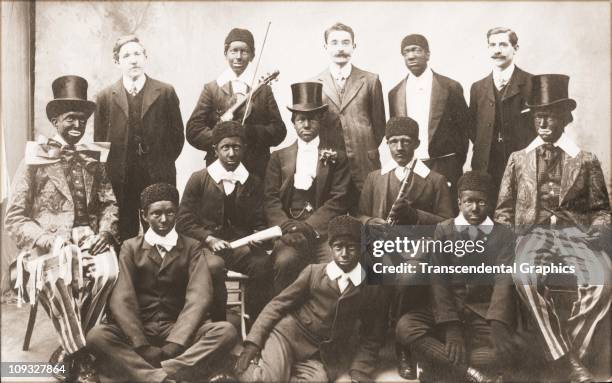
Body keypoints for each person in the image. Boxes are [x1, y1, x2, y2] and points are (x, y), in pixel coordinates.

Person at [495, 74, 612, 383]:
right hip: (532, 233)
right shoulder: (518, 159)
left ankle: (567, 353)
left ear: (564, 117)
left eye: (550, 114)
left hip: (575, 233)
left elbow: (601, 209)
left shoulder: (586, 160)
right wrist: (506, 240)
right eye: (537, 114)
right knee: (524, 277)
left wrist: (600, 229)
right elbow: (504, 210)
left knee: (604, 283)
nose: (543, 121)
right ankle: (569, 362)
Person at [5, 75, 119, 382]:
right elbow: (14, 217)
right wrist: (48, 239)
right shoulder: (35, 160)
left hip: (89, 237)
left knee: (109, 272)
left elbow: (109, 203)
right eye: (70, 119)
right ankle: (80, 355)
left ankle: (67, 350)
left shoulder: (94, 159)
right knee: (58, 277)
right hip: (46, 243)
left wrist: (105, 233)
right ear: (56, 121)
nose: (77, 126)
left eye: (82, 120)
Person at [86, 183, 239, 383]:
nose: (164, 219)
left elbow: (199, 296)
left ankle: (152, 373)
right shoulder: (130, 247)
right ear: (144, 215)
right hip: (141, 328)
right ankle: (167, 377)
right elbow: (123, 298)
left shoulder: (192, 247)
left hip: (177, 328)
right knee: (97, 336)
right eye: (156, 213)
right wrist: (140, 343)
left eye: (170, 213)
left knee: (226, 332)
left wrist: (175, 342)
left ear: (177, 213)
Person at [396, 171, 533, 382]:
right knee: (405, 327)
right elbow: (438, 279)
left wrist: (497, 322)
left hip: (482, 311)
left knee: (515, 348)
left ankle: (438, 366)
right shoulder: (444, 229)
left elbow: (502, 280)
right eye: (469, 201)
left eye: (482, 202)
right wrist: (451, 326)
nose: (475, 208)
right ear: (459, 202)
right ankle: (470, 372)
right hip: (449, 309)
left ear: (491, 204)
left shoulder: (502, 234)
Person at [357, 116, 454, 380]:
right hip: (383, 247)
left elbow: (448, 225)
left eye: (406, 142)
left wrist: (416, 216)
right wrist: (371, 222)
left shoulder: (435, 179)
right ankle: (371, 345)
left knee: (406, 279)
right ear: (387, 145)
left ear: (417, 144)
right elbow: (360, 215)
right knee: (373, 274)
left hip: (419, 250)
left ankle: (403, 348)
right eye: (394, 142)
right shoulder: (375, 178)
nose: (400, 147)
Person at [235, 215, 388, 383]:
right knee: (269, 379)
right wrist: (253, 344)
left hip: (320, 354)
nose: (344, 253)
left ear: (361, 249)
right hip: (288, 336)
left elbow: (372, 335)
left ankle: (278, 367)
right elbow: (277, 305)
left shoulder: (370, 286)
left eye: (351, 247)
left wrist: (360, 369)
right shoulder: (314, 272)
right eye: (338, 247)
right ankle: (250, 366)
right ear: (330, 248)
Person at [177, 121, 273, 323]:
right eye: (225, 147)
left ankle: (256, 323)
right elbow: (184, 221)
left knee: (263, 264)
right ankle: (218, 325)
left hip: (239, 247)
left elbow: (259, 220)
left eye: (236, 147)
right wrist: (209, 239)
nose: (231, 154)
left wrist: (258, 236)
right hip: (206, 248)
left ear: (244, 149)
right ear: (215, 150)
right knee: (213, 267)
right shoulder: (199, 179)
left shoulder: (252, 182)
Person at [94, 35, 185, 241]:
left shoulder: (165, 92)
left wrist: (162, 162)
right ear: (117, 62)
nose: (133, 60)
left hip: (157, 174)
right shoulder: (105, 96)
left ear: (145, 57)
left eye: (137, 54)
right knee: (124, 231)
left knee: (161, 229)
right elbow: (100, 141)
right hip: (121, 178)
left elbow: (177, 137)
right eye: (126, 56)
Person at [264, 82, 351, 293]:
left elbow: (340, 198)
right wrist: (287, 227)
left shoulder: (336, 156)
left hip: (322, 234)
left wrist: (311, 227)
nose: (306, 124)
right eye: (300, 119)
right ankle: (285, 319)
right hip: (290, 233)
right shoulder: (278, 157)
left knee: (334, 266)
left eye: (311, 119)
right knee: (285, 263)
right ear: (293, 122)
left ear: (320, 120)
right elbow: (270, 199)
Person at [186, 27, 286, 178]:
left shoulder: (263, 90)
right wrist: (221, 138)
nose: (238, 56)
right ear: (225, 53)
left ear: (252, 55)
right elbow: (193, 130)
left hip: (256, 169)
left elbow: (279, 131)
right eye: (234, 51)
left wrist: (250, 132)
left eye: (244, 51)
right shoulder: (212, 89)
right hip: (218, 168)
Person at [388, 34, 469, 204]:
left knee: (446, 216)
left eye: (416, 50)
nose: (411, 56)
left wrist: (453, 164)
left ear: (428, 55)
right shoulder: (395, 93)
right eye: (406, 52)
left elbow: (464, 130)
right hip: (411, 165)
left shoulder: (450, 87)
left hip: (445, 165)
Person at [312, 22, 386, 205]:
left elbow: (379, 126)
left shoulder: (370, 80)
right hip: (331, 164)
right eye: (334, 43)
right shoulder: (314, 84)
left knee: (367, 214)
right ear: (325, 47)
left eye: (345, 43)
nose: (340, 48)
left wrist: (362, 145)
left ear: (354, 46)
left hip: (364, 163)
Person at [469, 27, 534, 203]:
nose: (497, 50)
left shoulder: (531, 83)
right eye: (492, 45)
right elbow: (472, 129)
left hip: (522, 165)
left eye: (503, 45)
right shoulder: (477, 88)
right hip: (486, 165)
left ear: (516, 48)